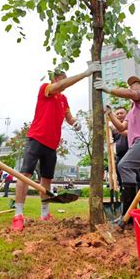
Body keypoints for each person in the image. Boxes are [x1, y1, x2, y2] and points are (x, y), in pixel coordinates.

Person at [11, 62, 101, 231]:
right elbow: (59, 86)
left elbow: (68, 115)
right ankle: (18, 215)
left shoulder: (63, 99)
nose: (66, 85)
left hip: (52, 144)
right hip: (36, 139)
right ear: (57, 78)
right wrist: (85, 74)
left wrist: (75, 122)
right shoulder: (46, 88)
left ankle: (44, 213)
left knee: (47, 179)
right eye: (63, 80)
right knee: (25, 175)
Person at [94, 75, 140, 221]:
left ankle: (127, 216)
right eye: (130, 85)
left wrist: (109, 89)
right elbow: (121, 128)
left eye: (136, 84)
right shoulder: (133, 110)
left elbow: (131, 94)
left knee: (124, 166)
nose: (132, 87)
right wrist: (109, 114)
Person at [111, 106, 140, 209]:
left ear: (127, 115)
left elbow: (126, 132)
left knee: (138, 184)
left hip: (133, 157)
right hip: (120, 158)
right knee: (124, 185)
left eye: (122, 113)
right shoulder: (114, 130)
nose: (119, 115)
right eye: (117, 114)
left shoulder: (131, 124)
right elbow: (112, 143)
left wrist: (115, 127)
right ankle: (128, 211)